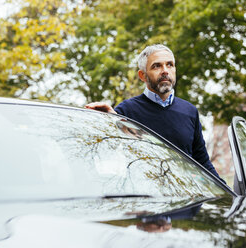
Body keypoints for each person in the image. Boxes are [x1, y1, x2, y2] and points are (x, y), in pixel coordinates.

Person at [85, 44, 223, 181]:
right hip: (146, 197)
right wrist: (110, 119)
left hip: (185, 199)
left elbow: (203, 163)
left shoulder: (190, 111)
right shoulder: (126, 110)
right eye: (156, 66)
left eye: (170, 65)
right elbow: (107, 151)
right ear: (142, 75)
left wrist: (229, 195)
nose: (165, 71)